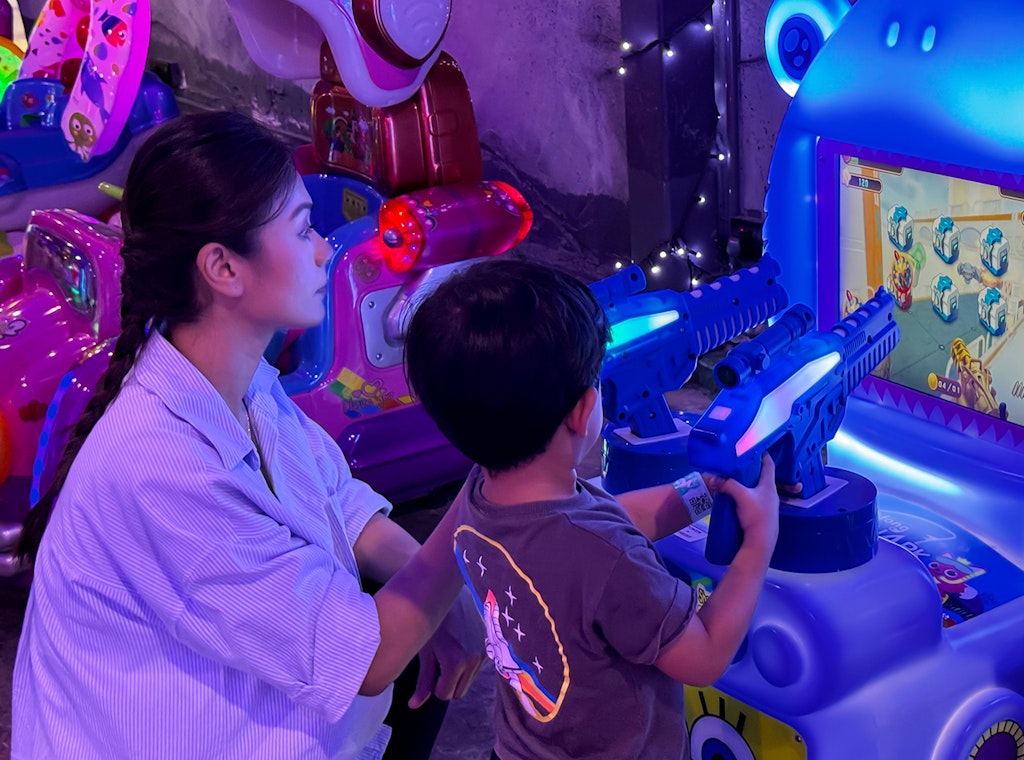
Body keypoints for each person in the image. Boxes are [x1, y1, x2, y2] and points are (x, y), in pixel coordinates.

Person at [12, 111, 484, 760]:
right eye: (303, 228)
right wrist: (483, 499)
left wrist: (439, 592)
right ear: (223, 268)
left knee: (419, 620)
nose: (324, 251)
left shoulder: (237, 375)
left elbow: (337, 501)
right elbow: (370, 656)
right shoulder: (160, 467)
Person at [403, 258, 780, 760]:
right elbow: (704, 655)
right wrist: (758, 544)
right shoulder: (607, 560)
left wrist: (704, 492)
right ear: (584, 409)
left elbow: (608, 519)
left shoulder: (483, 496)